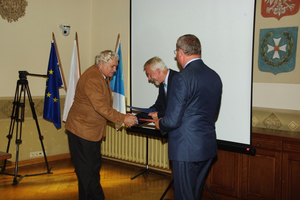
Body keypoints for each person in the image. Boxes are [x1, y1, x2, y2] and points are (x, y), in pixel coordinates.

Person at [154, 34, 223, 200]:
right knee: (194, 195)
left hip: (185, 150)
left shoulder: (181, 78)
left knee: (185, 196)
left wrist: (160, 123)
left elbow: (172, 120)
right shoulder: (215, 77)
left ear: (180, 53)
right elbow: (213, 115)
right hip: (206, 147)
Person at [65, 50, 137, 200]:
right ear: (101, 64)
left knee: (93, 169)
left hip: (91, 131)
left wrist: (123, 116)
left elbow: (103, 106)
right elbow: (101, 108)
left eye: (116, 66)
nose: (115, 70)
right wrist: (123, 118)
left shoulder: (101, 75)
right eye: (112, 66)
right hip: (81, 131)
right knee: (86, 173)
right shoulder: (92, 78)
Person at [136, 56, 178, 123]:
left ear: (158, 71)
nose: (149, 78)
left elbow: (177, 108)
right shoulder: (162, 84)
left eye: (149, 74)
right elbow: (158, 107)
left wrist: (158, 114)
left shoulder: (178, 80)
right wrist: (136, 119)